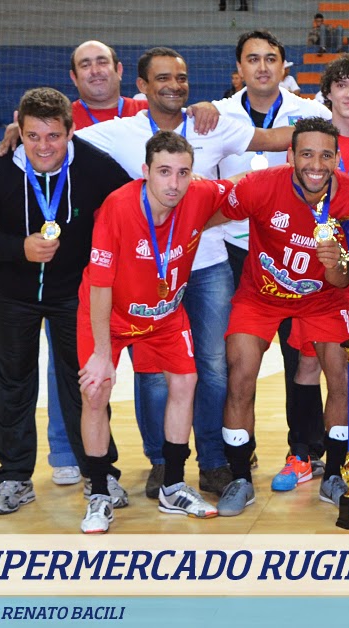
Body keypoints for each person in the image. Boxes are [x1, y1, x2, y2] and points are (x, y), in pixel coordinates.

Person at [76, 46, 294, 499]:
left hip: (207, 265)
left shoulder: (211, 123)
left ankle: (213, 461)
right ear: (141, 86)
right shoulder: (121, 131)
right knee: (154, 376)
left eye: (181, 77)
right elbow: (59, 140)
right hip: (146, 275)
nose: (174, 86)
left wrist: (341, 127)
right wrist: (18, 131)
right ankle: (162, 463)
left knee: (211, 367)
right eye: (163, 78)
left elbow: (273, 141)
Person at [0, 87, 130, 516]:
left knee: (85, 385)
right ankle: (14, 478)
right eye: (32, 136)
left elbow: (130, 207)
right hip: (13, 296)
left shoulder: (95, 166)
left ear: (70, 131)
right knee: (13, 384)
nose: (43, 147)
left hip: (75, 295)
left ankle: (98, 474)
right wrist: (18, 248)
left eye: (53, 136)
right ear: (19, 129)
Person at [213, 117, 349, 516]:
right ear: (290, 155)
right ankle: (239, 479)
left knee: (341, 376)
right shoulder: (259, 186)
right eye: (306, 154)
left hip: (324, 300)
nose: (316, 165)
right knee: (240, 374)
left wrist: (336, 264)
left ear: (337, 158)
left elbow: (346, 279)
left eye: (325, 155)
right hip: (260, 297)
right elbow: (209, 212)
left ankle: (333, 474)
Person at [77, 131, 232, 533]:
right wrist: (101, 354)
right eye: (164, 172)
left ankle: (173, 486)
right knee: (95, 390)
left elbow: (246, 191)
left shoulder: (198, 194)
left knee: (186, 381)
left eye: (183, 172)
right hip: (109, 314)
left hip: (163, 314)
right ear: (145, 171)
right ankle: (99, 493)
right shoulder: (118, 207)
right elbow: (100, 285)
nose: (174, 183)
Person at [211, 30, 334, 492]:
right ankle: (234, 456)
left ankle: (305, 449)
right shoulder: (215, 115)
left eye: (270, 59)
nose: (262, 67)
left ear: (284, 66)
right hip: (234, 252)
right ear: (238, 68)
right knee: (233, 361)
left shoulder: (313, 113)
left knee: (301, 357)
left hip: (296, 251)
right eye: (252, 59)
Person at [69, 41, 149, 129]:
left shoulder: (151, 111)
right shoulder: (63, 117)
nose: (95, 71)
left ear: (119, 70)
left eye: (102, 62)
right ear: (74, 77)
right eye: (85, 65)